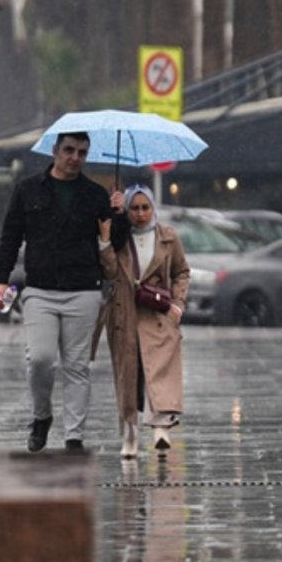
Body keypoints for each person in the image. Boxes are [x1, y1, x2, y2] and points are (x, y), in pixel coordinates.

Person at [0, 131, 123, 452]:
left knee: (77, 366)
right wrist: (0, 279)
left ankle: (74, 436)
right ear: (55, 151)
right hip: (39, 289)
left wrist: (118, 213)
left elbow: (114, 245)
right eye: (69, 150)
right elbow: (10, 237)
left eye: (82, 152)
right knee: (40, 359)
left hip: (84, 289)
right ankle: (41, 416)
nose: (75, 157)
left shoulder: (95, 195)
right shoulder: (28, 190)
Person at [95, 185, 190, 459]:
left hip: (159, 314)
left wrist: (178, 306)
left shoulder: (168, 237)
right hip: (125, 313)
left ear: (153, 208)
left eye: (145, 207)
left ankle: (161, 428)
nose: (140, 214)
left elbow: (182, 271)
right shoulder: (121, 237)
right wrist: (105, 241)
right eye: (134, 208)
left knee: (158, 370)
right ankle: (130, 434)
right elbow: (110, 271)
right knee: (128, 375)